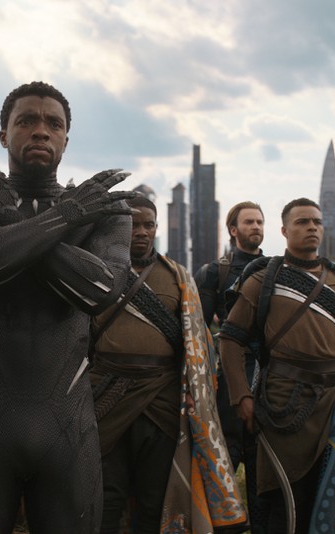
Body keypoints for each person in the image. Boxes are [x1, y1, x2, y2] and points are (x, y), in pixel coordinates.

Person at [0, 81, 133, 532]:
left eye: (53, 124)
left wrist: (9, 223)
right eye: (26, 121)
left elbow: (100, 292)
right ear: (4, 134)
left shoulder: (104, 210)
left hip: (68, 425)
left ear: (66, 139)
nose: (41, 131)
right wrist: (64, 219)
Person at [218, 198, 335, 533]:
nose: (311, 227)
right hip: (282, 403)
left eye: (316, 221)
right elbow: (229, 339)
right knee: (285, 505)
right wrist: (240, 396)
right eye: (302, 222)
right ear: (284, 231)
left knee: (334, 498)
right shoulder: (263, 280)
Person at [91, 197, 246, 532]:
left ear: (156, 228)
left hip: (161, 400)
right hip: (105, 397)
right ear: (119, 228)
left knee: (154, 497)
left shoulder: (178, 276)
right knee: (106, 496)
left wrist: (193, 394)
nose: (141, 232)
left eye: (148, 224)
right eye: (133, 224)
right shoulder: (96, 273)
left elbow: (196, 343)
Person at [193, 200, 265, 528]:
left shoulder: (274, 269)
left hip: (268, 376)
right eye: (249, 222)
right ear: (233, 230)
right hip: (227, 375)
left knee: (263, 463)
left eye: (260, 222)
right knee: (226, 455)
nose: (256, 227)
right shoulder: (214, 272)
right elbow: (198, 330)